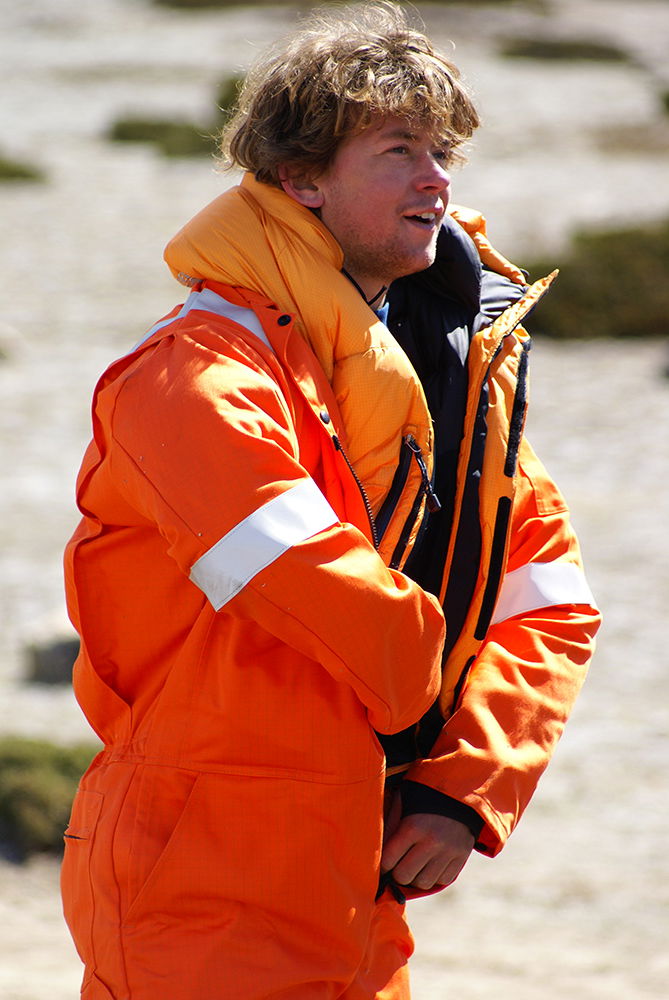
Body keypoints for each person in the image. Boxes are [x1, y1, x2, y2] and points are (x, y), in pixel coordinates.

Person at [61, 4, 600, 998]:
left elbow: (548, 601)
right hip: (204, 889)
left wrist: (463, 786)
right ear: (300, 178)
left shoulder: (446, 382)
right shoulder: (197, 377)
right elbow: (334, 605)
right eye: (400, 150)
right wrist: (427, 699)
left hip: (362, 887)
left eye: (445, 153)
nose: (438, 179)